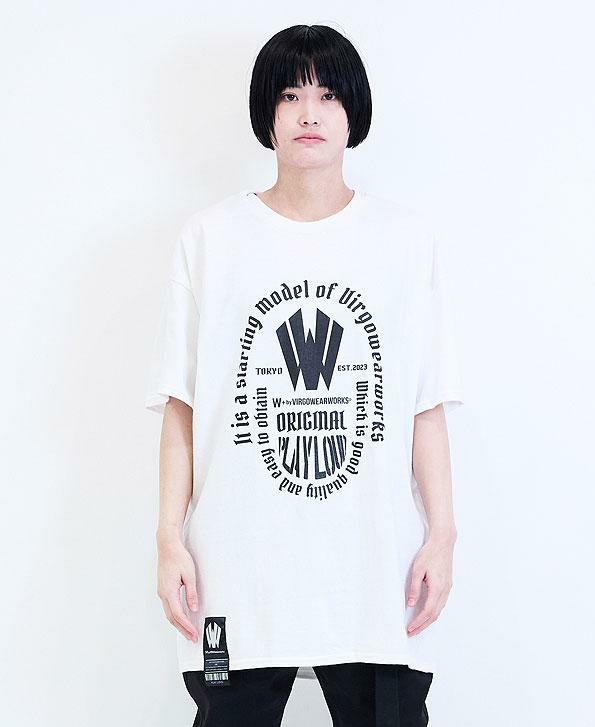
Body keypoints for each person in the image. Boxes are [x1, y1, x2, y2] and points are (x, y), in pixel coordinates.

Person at [145, 24, 464, 727]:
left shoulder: (406, 242)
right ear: (267, 113)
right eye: (290, 95)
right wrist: (169, 536)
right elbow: (181, 405)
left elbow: (425, 404)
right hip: (238, 569)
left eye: (328, 96)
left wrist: (442, 534)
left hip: (375, 567)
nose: (309, 113)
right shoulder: (210, 240)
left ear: (354, 113)